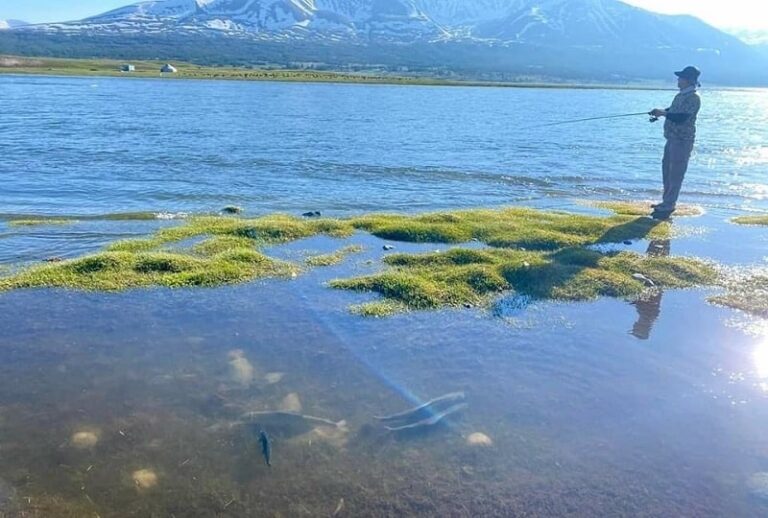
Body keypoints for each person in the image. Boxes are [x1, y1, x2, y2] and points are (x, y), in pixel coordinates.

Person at [649, 66, 702, 219]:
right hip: (671, 138)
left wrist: (664, 113)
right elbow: (672, 110)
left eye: (680, 78)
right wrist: (659, 112)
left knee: (676, 173)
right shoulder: (680, 96)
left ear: (688, 80)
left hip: (682, 140)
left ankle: (670, 204)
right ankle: (666, 201)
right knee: (667, 170)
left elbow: (682, 117)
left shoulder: (694, 97)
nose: (678, 80)